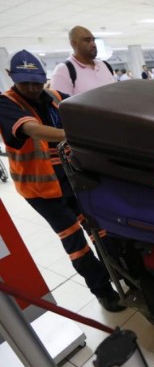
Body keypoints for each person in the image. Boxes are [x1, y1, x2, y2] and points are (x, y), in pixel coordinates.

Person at [0, 50, 124, 312]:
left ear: (44, 77)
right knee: (75, 243)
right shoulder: (6, 103)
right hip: (41, 191)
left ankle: (121, 274)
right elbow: (31, 129)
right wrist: (74, 134)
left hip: (73, 179)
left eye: (36, 82)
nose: (32, 89)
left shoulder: (56, 98)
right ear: (11, 77)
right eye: (25, 83)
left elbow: (85, 109)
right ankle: (103, 291)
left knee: (100, 230)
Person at [50, 26, 116, 95]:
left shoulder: (104, 65)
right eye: (87, 41)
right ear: (74, 44)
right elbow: (60, 103)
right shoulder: (64, 70)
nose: (93, 45)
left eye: (93, 40)